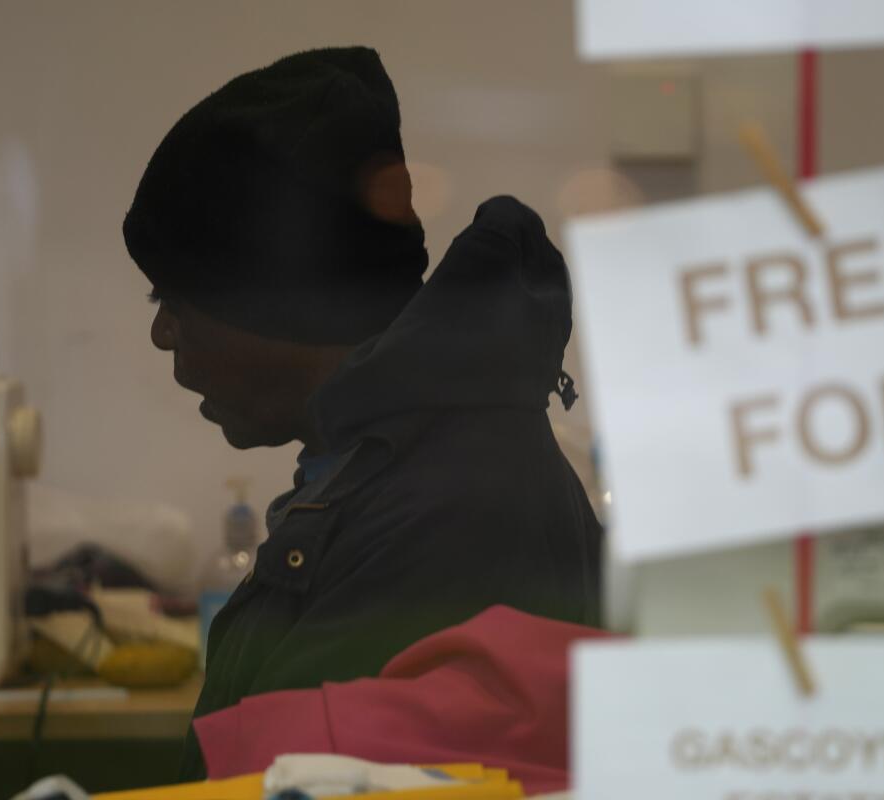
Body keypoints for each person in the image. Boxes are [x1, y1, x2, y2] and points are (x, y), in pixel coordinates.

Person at [122, 46, 602, 779]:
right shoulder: (388, 468)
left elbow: (285, 786)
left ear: (274, 301)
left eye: (175, 298)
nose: (162, 332)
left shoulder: (447, 508)